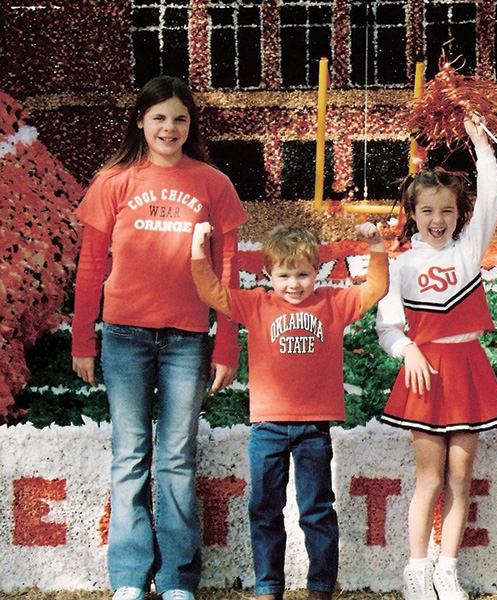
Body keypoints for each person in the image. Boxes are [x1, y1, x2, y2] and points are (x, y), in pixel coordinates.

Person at [71, 76, 248, 600]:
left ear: (191, 125)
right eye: (159, 118)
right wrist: (84, 337)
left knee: (175, 457)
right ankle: (128, 576)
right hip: (124, 335)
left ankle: (176, 580)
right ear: (141, 122)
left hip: (187, 338)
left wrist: (226, 344)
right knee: (129, 454)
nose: (169, 128)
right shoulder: (114, 180)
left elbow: (229, 271)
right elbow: (88, 266)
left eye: (179, 118)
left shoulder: (214, 184)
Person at [190, 220, 389, 600]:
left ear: (318, 271)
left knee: (316, 509)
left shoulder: (332, 301)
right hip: (267, 426)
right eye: (283, 275)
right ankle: (267, 586)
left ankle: (320, 587)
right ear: (268, 274)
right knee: (265, 508)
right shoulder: (257, 303)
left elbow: (375, 287)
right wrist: (198, 249)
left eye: (302, 274)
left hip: (314, 426)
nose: (293, 284)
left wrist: (377, 246)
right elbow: (210, 291)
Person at [375, 114, 497, 600]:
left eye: (447, 212)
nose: (438, 221)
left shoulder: (468, 250)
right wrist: (406, 348)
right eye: (428, 211)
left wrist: (480, 144)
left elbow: (492, 197)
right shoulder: (401, 264)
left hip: (468, 367)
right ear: (413, 213)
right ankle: (417, 568)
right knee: (429, 475)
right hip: (426, 373)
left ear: (459, 214)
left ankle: (447, 569)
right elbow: (387, 328)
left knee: (460, 472)